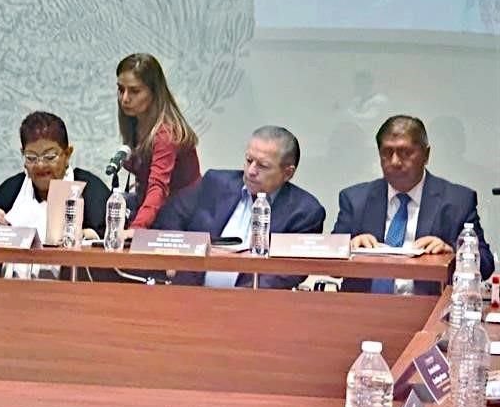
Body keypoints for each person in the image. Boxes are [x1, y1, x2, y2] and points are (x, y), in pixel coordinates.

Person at [332, 115, 494, 294]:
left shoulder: (458, 201)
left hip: (429, 312)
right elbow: (329, 265)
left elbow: (486, 265)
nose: (395, 161)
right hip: (363, 311)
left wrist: (452, 253)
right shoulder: (355, 200)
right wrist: (348, 247)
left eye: (405, 152)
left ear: (426, 155)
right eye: (387, 152)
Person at [159, 126, 325, 288]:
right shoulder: (215, 182)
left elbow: (287, 272)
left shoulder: (305, 212)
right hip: (189, 296)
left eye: (263, 166)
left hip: (252, 308)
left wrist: (236, 300)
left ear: (288, 173)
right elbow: (170, 217)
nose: (251, 171)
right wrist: (175, 256)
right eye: (249, 160)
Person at [0, 112, 110, 278]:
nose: (40, 165)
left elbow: (111, 243)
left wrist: (86, 235)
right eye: (31, 157)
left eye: (49, 156)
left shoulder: (90, 189)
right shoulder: (12, 188)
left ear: (68, 153)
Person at [115, 53, 200, 230]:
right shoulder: (133, 122)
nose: (124, 98)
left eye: (135, 91)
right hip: (152, 203)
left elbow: (158, 187)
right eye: (121, 89)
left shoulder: (166, 134)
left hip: (181, 211)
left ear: (154, 92)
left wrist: (136, 229)